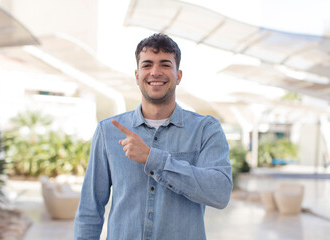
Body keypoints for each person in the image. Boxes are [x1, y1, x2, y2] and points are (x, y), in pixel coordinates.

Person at [74, 33, 233, 240]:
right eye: (147, 65)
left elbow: (220, 193)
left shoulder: (205, 129)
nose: (155, 72)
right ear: (137, 74)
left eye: (165, 65)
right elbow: (90, 208)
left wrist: (153, 158)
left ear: (179, 75)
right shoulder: (108, 131)